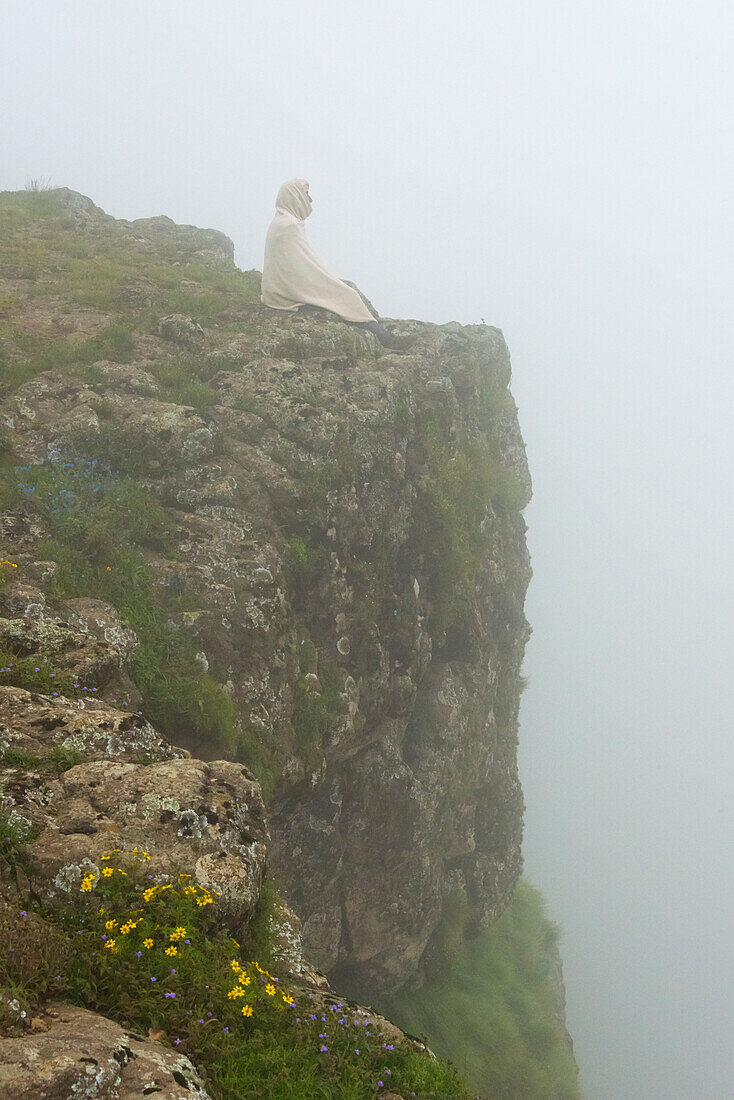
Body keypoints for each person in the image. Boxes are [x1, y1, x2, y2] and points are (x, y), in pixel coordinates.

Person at [260, 178, 416, 350]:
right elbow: (307, 265)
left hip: (277, 289)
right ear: (294, 196)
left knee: (342, 291)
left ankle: (385, 336)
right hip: (286, 292)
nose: (309, 200)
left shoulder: (282, 221)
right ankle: (387, 340)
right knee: (348, 295)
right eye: (305, 195)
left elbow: (301, 263)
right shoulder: (289, 226)